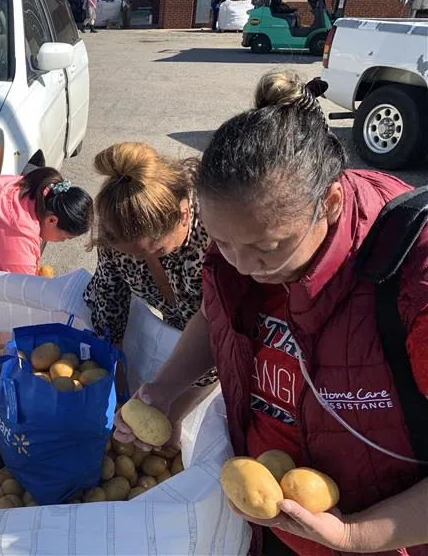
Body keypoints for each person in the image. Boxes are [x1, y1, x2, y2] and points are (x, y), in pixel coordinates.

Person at [115, 72, 428, 555]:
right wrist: (163, 389)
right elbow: (215, 315)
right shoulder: (246, 230)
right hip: (270, 525)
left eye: (267, 247)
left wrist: (356, 534)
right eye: (222, 243)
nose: (243, 266)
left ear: (330, 202)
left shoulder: (413, 274)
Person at [83, 143, 217, 388]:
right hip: (179, 334)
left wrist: (170, 399)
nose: (141, 261)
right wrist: (115, 366)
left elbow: (218, 333)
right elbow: (109, 295)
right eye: (131, 254)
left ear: (184, 214)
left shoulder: (217, 236)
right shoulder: (117, 232)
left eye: (155, 251)